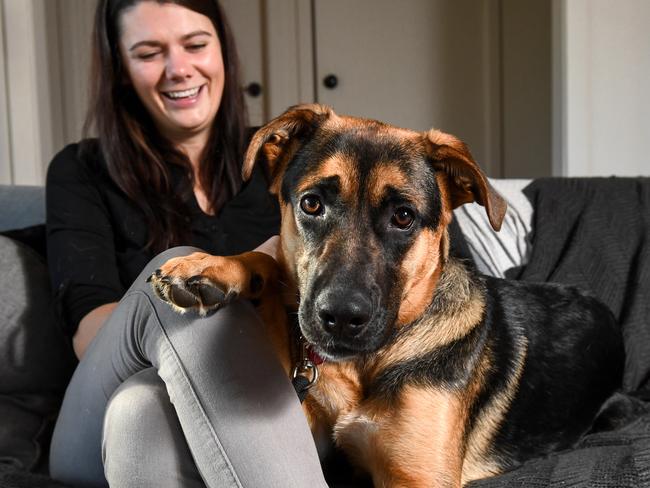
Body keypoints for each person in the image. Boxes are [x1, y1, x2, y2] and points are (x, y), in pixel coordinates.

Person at [46, 1, 328, 487]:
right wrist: (255, 266)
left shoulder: (285, 161)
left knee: (141, 412)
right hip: (91, 421)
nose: (179, 69)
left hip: (287, 402)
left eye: (196, 45)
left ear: (222, 49)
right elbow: (88, 329)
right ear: (120, 68)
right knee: (186, 273)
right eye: (149, 53)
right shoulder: (82, 169)